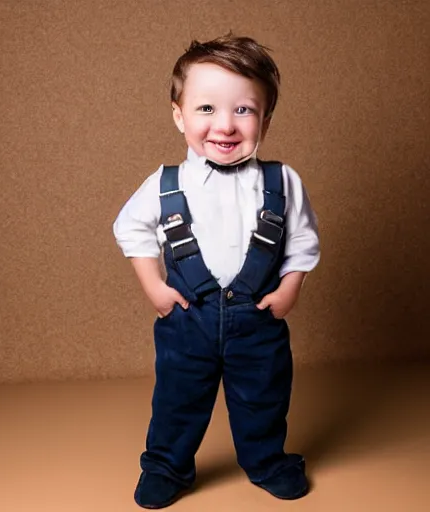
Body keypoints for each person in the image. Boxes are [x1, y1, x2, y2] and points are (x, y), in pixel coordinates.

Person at [113, 34, 320, 509]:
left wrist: (290, 288)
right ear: (178, 114)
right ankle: (166, 466)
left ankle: (268, 462)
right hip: (188, 319)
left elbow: (304, 239)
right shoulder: (165, 183)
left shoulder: (283, 181)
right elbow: (131, 230)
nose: (225, 125)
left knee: (263, 398)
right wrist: (154, 288)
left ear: (265, 118)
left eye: (244, 110)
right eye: (206, 109)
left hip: (258, 322)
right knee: (177, 401)